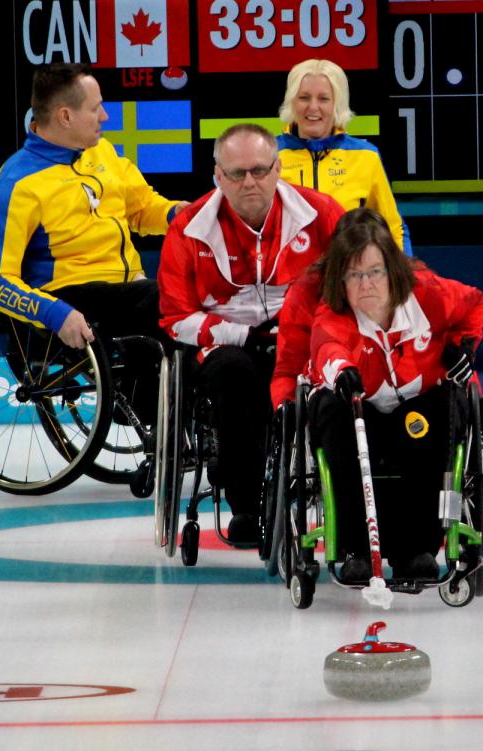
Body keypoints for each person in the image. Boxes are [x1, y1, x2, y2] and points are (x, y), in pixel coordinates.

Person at [158, 123, 345, 544]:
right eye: (238, 173)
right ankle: (246, 507)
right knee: (233, 374)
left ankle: (351, 506)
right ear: (217, 176)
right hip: (228, 344)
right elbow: (174, 317)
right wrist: (243, 335)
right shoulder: (188, 229)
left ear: (279, 169)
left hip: (305, 334)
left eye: (260, 170)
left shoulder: (321, 213)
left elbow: (360, 281)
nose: (250, 183)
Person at [0, 63, 187, 419]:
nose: (105, 116)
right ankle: (155, 421)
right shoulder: (16, 185)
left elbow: (142, 209)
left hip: (125, 290)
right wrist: (55, 314)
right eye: (96, 108)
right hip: (70, 296)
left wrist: (178, 214)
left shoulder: (101, 152)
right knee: (160, 296)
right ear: (65, 116)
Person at [308, 207, 483, 583]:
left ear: (392, 270)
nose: (365, 284)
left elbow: (474, 305)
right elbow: (326, 347)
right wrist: (341, 371)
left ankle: (418, 549)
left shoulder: (430, 294)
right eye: (354, 275)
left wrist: (462, 347)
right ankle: (356, 548)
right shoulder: (333, 313)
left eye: (373, 272)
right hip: (358, 404)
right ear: (340, 280)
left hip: (415, 402)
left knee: (431, 423)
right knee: (336, 420)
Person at [277, 59, 411, 253]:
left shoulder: (365, 156)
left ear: (337, 104)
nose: (313, 107)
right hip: (287, 278)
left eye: (323, 99)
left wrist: (404, 278)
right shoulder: (269, 155)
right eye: (304, 97)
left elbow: (392, 228)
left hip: (349, 276)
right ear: (292, 101)